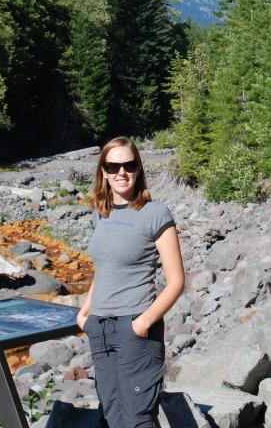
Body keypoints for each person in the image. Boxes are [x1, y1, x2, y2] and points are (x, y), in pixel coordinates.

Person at [77, 136, 185, 428]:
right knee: (112, 414)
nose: (121, 172)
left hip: (134, 328)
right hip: (99, 327)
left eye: (128, 165)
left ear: (138, 169)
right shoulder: (101, 214)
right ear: (103, 171)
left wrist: (143, 322)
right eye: (113, 166)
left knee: (138, 418)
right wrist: (85, 310)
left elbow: (176, 281)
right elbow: (105, 268)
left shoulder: (155, 214)